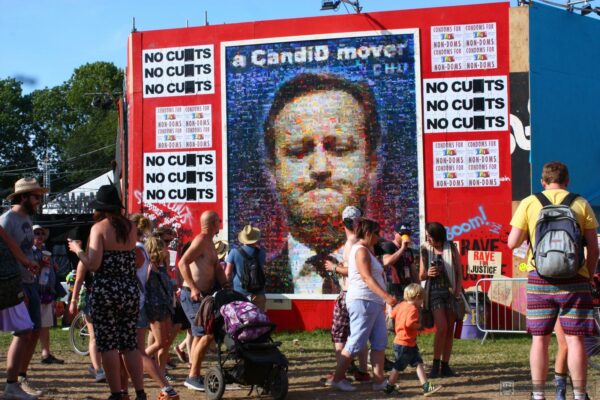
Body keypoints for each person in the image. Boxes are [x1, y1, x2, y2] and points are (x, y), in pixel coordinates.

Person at [263, 73, 380, 294]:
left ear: (371, 165)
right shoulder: (262, 278)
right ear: (273, 171)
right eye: (298, 151)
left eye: (340, 148)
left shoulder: (391, 268)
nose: (319, 168)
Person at [507, 161, 599, 400]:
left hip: (540, 279)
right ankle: (579, 394)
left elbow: (512, 243)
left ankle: (538, 394)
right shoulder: (580, 203)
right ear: (567, 181)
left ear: (542, 181)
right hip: (576, 279)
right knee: (575, 340)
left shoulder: (529, 202)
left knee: (540, 340)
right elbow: (594, 248)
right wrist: (587, 275)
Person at [67, 184, 146, 400]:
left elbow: (93, 264)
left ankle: (117, 393)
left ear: (100, 207)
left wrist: (78, 250)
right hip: (129, 290)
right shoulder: (131, 226)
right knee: (130, 343)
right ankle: (140, 392)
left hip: (106, 291)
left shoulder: (99, 228)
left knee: (108, 344)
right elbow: (137, 259)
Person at [331, 218, 397, 392]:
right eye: (376, 233)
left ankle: (379, 380)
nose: (378, 237)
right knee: (356, 341)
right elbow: (367, 278)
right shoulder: (360, 251)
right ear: (367, 233)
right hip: (363, 301)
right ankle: (338, 378)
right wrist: (387, 297)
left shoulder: (367, 250)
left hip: (373, 302)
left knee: (380, 341)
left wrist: (382, 298)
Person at [1, 177, 48, 398]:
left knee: (33, 330)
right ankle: (14, 382)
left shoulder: (27, 218)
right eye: (36, 196)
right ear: (23, 197)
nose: (39, 200)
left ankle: (20, 378)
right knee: (23, 330)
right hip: (14, 283)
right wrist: (17, 284)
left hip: (29, 282)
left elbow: (24, 251)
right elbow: (6, 254)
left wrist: (36, 262)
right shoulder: (7, 220)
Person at [129, 214, 179, 400]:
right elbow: (147, 284)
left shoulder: (154, 263)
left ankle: (154, 372)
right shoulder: (147, 260)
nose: (167, 247)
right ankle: (143, 370)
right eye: (164, 244)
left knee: (162, 342)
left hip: (158, 305)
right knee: (153, 344)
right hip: (152, 306)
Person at [178, 210, 229, 392]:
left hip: (204, 296)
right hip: (192, 295)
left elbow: (215, 268)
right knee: (204, 335)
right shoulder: (200, 240)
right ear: (213, 222)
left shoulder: (209, 243)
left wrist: (226, 285)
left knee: (206, 335)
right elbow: (182, 263)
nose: (220, 224)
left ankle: (194, 374)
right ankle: (193, 376)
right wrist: (193, 287)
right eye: (219, 221)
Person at [323, 206, 370, 384]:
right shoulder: (365, 242)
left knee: (339, 334)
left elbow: (353, 271)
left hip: (349, 293)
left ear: (343, 223)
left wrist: (334, 268)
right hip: (362, 294)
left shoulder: (351, 244)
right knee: (360, 333)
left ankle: (340, 373)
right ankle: (363, 371)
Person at [419, 221, 463, 379]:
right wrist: (428, 273)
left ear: (437, 236)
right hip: (434, 291)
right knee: (442, 327)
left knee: (449, 328)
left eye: (429, 236)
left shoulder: (450, 247)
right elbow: (421, 275)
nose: (427, 238)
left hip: (451, 290)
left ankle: (445, 366)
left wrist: (458, 289)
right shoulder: (425, 248)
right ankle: (435, 363)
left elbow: (459, 270)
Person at [1, 225, 40, 400]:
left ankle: (11, 385)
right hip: (6, 281)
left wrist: (26, 261)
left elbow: (8, 241)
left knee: (24, 329)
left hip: (7, 282)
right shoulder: (9, 219)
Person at [385, 283, 442, 396]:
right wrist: (419, 326)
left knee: (418, 363)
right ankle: (389, 387)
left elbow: (391, 315)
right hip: (405, 344)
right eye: (422, 300)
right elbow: (409, 323)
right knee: (398, 367)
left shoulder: (401, 305)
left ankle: (426, 386)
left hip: (404, 342)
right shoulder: (413, 309)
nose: (422, 302)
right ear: (417, 297)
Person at [32, 225, 64, 365]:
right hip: (34, 292)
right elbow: (29, 270)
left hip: (45, 292)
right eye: (36, 233)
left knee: (45, 324)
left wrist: (54, 266)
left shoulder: (45, 250)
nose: (39, 236)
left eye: (42, 233)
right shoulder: (29, 251)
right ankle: (23, 357)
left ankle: (46, 354)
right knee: (33, 326)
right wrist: (40, 264)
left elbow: (50, 269)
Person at [69, 260, 105, 383]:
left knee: (105, 336)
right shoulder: (84, 260)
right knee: (94, 336)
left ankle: (97, 366)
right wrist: (73, 300)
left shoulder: (109, 255)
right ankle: (98, 370)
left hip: (107, 299)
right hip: (91, 299)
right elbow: (78, 281)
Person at [225, 225, 267, 311]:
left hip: (239, 292)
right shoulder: (262, 253)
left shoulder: (234, 252)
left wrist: (227, 287)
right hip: (258, 292)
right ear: (255, 239)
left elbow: (228, 273)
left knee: (242, 319)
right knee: (259, 320)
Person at [380, 223, 417, 301]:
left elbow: (413, 270)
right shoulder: (388, 246)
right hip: (394, 287)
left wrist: (418, 287)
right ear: (395, 233)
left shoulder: (409, 250)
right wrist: (402, 249)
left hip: (407, 286)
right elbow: (386, 262)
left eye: (408, 233)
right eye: (402, 234)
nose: (405, 236)